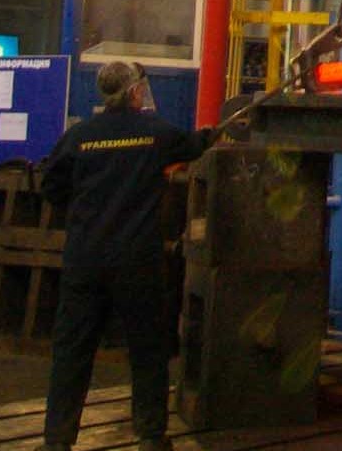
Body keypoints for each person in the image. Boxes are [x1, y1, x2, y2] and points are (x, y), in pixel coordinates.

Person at [39, 61, 212, 451]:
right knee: (147, 350)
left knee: (71, 353)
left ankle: (56, 441)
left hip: (85, 260)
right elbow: (195, 145)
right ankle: (150, 437)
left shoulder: (79, 136)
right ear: (135, 92)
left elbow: (52, 186)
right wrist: (216, 132)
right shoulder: (155, 133)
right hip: (136, 261)